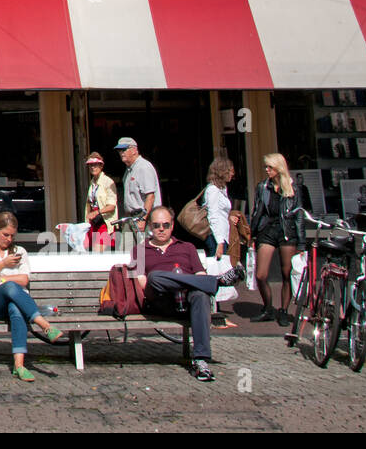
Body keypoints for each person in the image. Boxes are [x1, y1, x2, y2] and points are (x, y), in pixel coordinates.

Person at [130, 206, 244, 382]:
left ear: (172, 226)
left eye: (165, 225)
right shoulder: (140, 250)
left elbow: (200, 276)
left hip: (187, 301)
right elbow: (143, 283)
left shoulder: (187, 247)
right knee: (155, 276)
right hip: (160, 300)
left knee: (201, 295)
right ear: (150, 227)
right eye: (157, 225)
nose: (161, 229)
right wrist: (177, 282)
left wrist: (184, 284)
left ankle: (201, 361)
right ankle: (219, 282)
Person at [0, 212, 65, 381]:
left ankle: (19, 365)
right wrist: (3, 264)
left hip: (16, 302)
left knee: (15, 307)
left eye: (12, 236)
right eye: (5, 235)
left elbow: (24, 279)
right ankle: (44, 325)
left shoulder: (19, 251)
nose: (8, 239)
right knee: (9, 286)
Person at [249, 152, 309, 325]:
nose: (267, 170)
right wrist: (252, 233)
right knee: (261, 274)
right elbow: (257, 210)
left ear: (279, 168)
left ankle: (283, 310)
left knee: (286, 273)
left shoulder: (293, 188)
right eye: (266, 167)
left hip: (286, 231)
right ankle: (268, 307)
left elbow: (298, 216)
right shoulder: (263, 187)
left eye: (270, 167)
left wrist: (301, 242)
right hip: (267, 230)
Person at [57, 151, 118, 251]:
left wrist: (96, 212)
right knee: (89, 250)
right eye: (90, 165)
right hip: (94, 222)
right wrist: (88, 217)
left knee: (98, 251)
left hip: (104, 222)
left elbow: (111, 206)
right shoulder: (92, 182)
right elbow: (90, 202)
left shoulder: (108, 182)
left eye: (95, 165)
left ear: (101, 166)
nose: (93, 167)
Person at [116, 136, 161, 230]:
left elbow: (150, 196)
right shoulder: (129, 170)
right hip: (130, 218)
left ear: (134, 150)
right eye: (119, 150)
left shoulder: (143, 167)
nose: (121, 153)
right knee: (126, 245)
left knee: (142, 245)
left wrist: (143, 219)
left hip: (143, 218)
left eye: (124, 149)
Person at [203, 157, 234, 260]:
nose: (232, 174)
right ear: (222, 172)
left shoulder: (222, 189)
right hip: (216, 237)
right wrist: (220, 242)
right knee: (217, 269)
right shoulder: (213, 190)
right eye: (229, 171)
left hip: (223, 236)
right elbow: (213, 216)